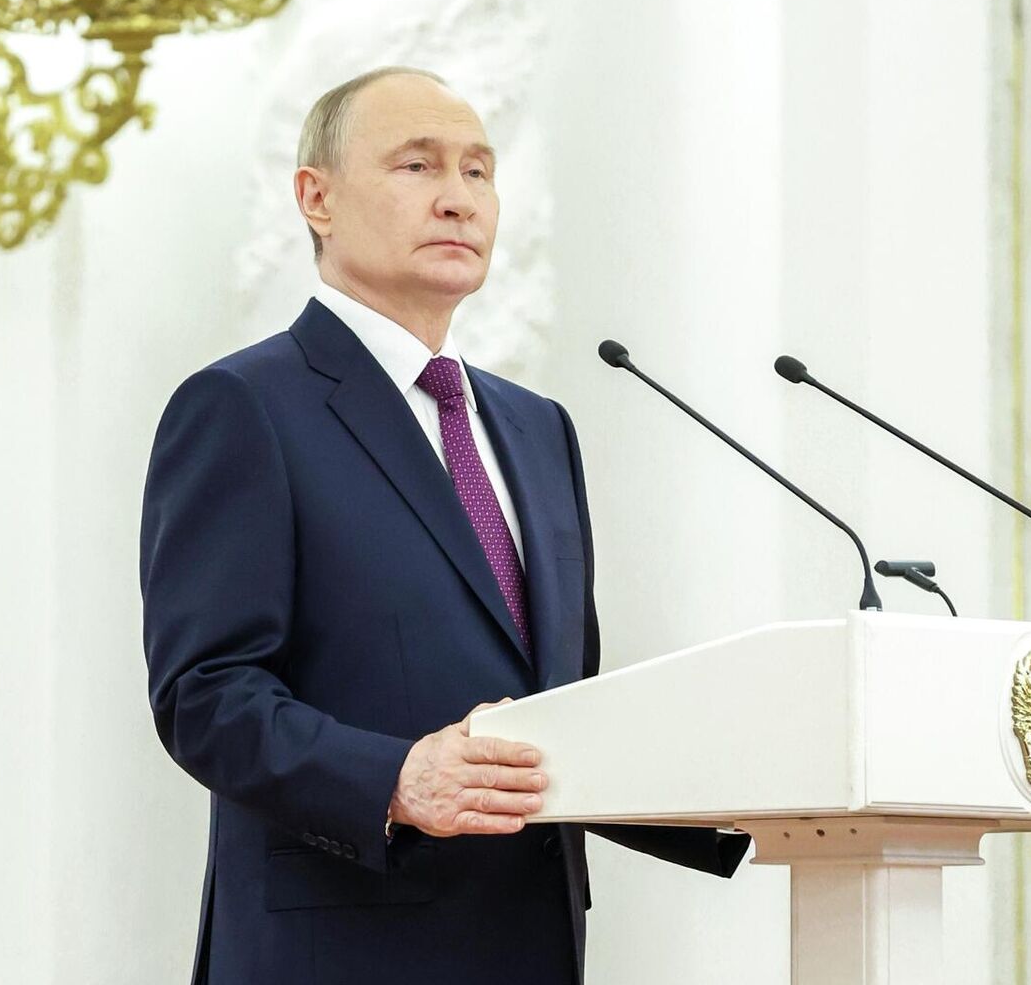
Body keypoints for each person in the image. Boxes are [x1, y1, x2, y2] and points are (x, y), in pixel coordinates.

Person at [140, 67, 749, 985]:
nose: (459, 199)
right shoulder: (244, 406)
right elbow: (206, 694)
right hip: (338, 949)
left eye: (478, 171)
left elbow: (556, 704)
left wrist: (754, 794)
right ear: (316, 197)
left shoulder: (537, 429)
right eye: (417, 165)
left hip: (530, 943)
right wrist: (393, 779)